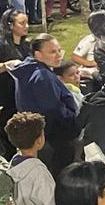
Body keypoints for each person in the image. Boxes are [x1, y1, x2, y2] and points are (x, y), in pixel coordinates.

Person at [11, 34, 79, 176]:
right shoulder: (42, 76)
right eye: (53, 52)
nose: (59, 55)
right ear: (38, 54)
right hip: (54, 141)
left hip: (42, 138)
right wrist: (74, 122)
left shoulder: (28, 71)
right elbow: (54, 111)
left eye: (59, 50)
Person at [0, 9, 31, 154]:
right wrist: (6, 65)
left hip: (14, 91)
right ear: (10, 25)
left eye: (27, 22)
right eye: (22, 23)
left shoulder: (25, 43)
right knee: (0, 128)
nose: (26, 26)